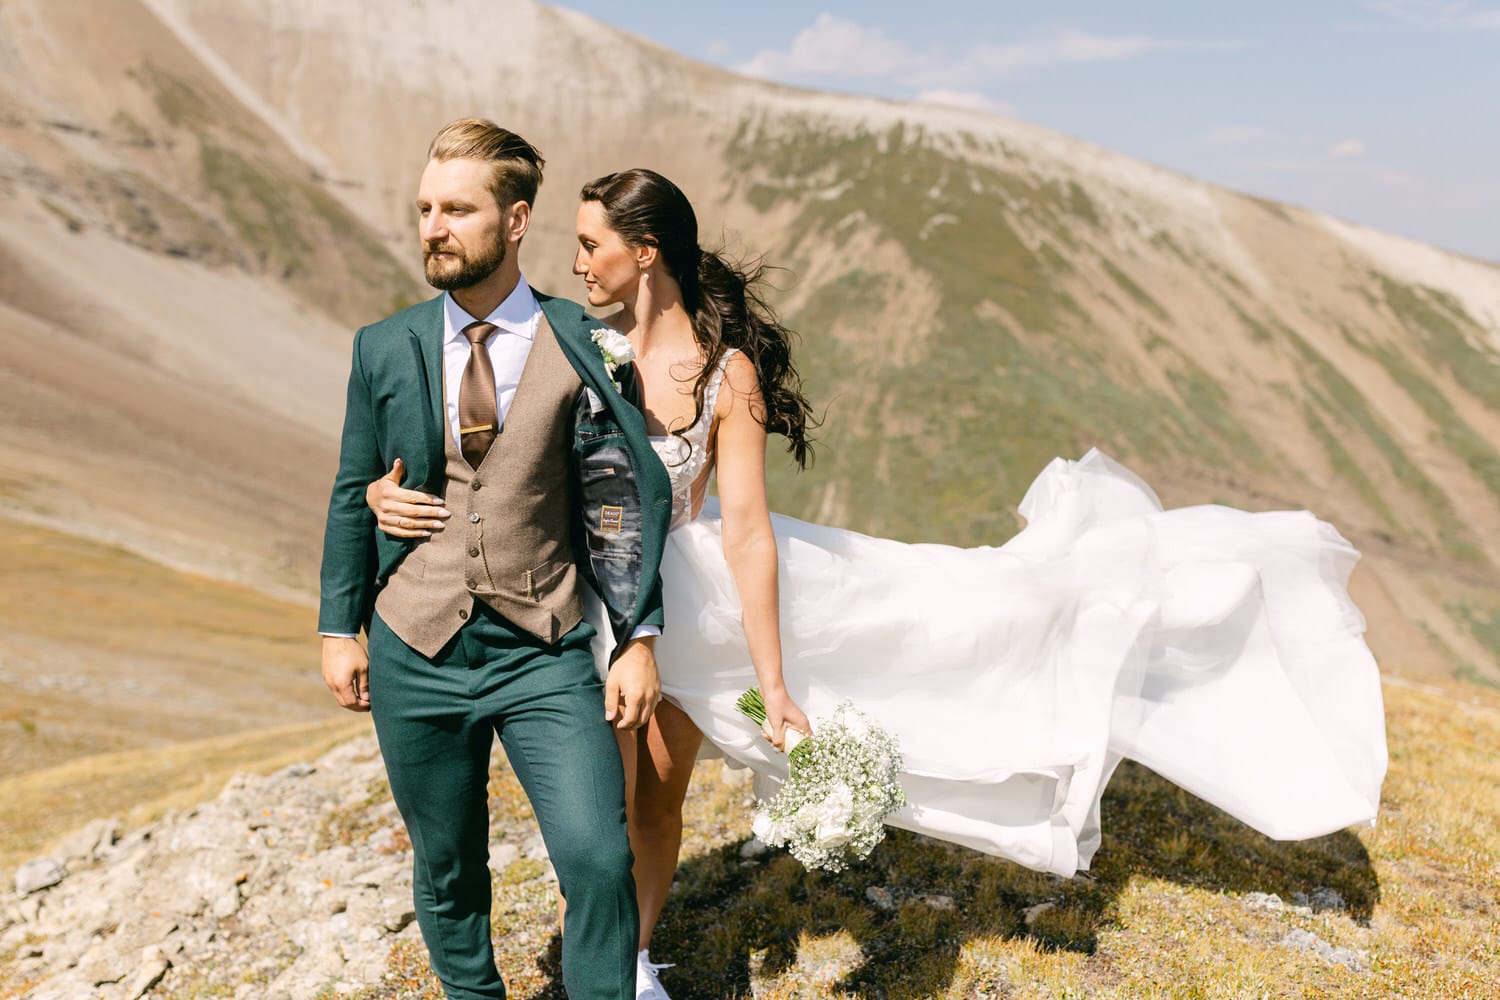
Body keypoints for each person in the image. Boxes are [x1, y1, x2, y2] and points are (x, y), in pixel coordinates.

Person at [368, 168, 1388, 999]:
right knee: (598, 800)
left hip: (688, 603)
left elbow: (753, 532)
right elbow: (480, 451)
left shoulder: (728, 376)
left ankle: (627, 958)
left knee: (657, 795)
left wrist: (774, 679)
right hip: (573, 599)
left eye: (591, 243)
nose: (574, 260)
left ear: (644, 254)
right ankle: (599, 953)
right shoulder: (571, 343)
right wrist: (383, 490)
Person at [319, 121, 673, 1000]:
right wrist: (338, 625)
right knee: (447, 870)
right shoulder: (382, 346)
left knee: (597, 855)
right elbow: (351, 485)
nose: (433, 228)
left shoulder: (587, 342)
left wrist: (637, 635)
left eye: (457, 210)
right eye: (425, 209)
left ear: (515, 222)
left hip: (541, 647)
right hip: (415, 643)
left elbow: (620, 500)